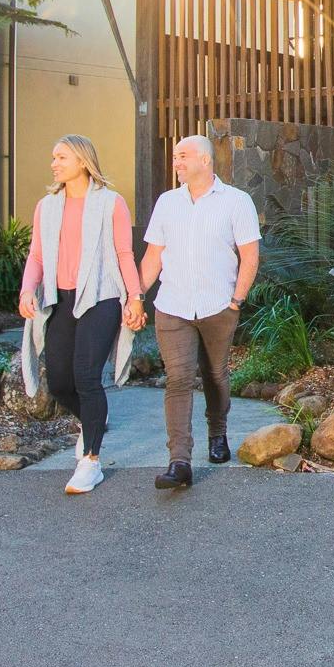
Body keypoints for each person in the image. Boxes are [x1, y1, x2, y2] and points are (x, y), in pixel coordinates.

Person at [18, 135, 146, 495]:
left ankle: (90, 462)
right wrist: (28, 289)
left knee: (86, 376)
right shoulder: (47, 205)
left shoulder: (111, 203)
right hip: (60, 298)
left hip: (101, 297)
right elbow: (37, 256)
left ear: (82, 161)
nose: (54, 163)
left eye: (61, 157)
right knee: (59, 382)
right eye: (53, 157)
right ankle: (93, 419)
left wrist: (134, 298)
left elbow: (124, 254)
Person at [139, 134, 260, 490]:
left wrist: (236, 300)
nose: (175, 162)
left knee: (216, 375)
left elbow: (249, 256)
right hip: (172, 307)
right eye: (175, 157)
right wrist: (135, 296)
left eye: (182, 156)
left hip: (218, 306)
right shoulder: (166, 203)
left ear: (205, 161)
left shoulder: (237, 202)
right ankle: (179, 460)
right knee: (177, 380)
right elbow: (152, 257)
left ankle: (217, 432)